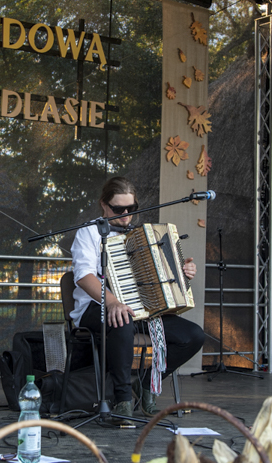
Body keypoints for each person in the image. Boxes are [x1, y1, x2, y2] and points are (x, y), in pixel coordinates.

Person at [70, 177, 206, 418]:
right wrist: (112, 302)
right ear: (104, 205)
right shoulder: (89, 232)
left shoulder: (141, 234)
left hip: (142, 308)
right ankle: (122, 400)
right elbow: (83, 276)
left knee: (193, 335)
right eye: (118, 209)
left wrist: (182, 272)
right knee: (122, 320)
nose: (126, 215)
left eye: (131, 209)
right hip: (95, 306)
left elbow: (160, 274)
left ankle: (145, 383)